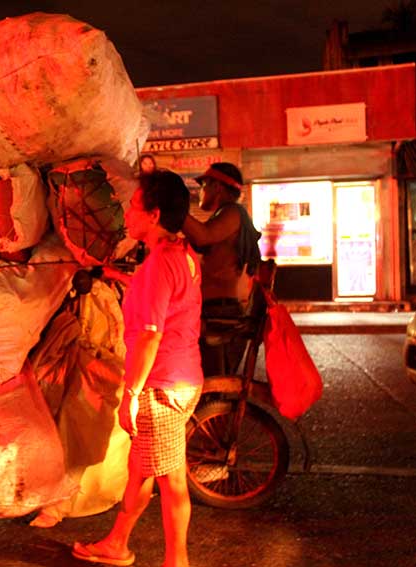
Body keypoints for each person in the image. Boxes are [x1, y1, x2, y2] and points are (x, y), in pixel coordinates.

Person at [72, 169, 202, 567]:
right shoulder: (182, 254)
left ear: (154, 214)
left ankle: (176, 562)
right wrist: (117, 276)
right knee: (139, 471)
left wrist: (131, 395)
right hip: (183, 377)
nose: (127, 212)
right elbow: (166, 299)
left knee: (172, 481)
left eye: (133, 204)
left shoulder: (159, 265)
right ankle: (117, 543)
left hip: (160, 386)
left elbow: (149, 336)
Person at [182, 162, 261, 375]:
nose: (201, 191)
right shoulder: (221, 216)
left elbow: (203, 236)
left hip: (219, 312)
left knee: (210, 387)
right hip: (212, 309)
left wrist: (175, 210)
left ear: (217, 187)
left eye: (204, 184)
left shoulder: (232, 212)